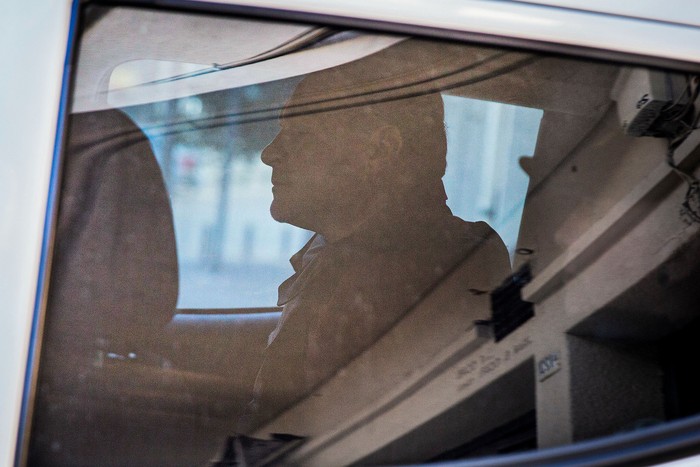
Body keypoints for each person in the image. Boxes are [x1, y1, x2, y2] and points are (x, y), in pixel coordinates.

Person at [245, 40, 511, 430]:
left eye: (298, 135)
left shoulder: (405, 276)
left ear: (379, 150)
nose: (270, 153)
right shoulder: (357, 257)